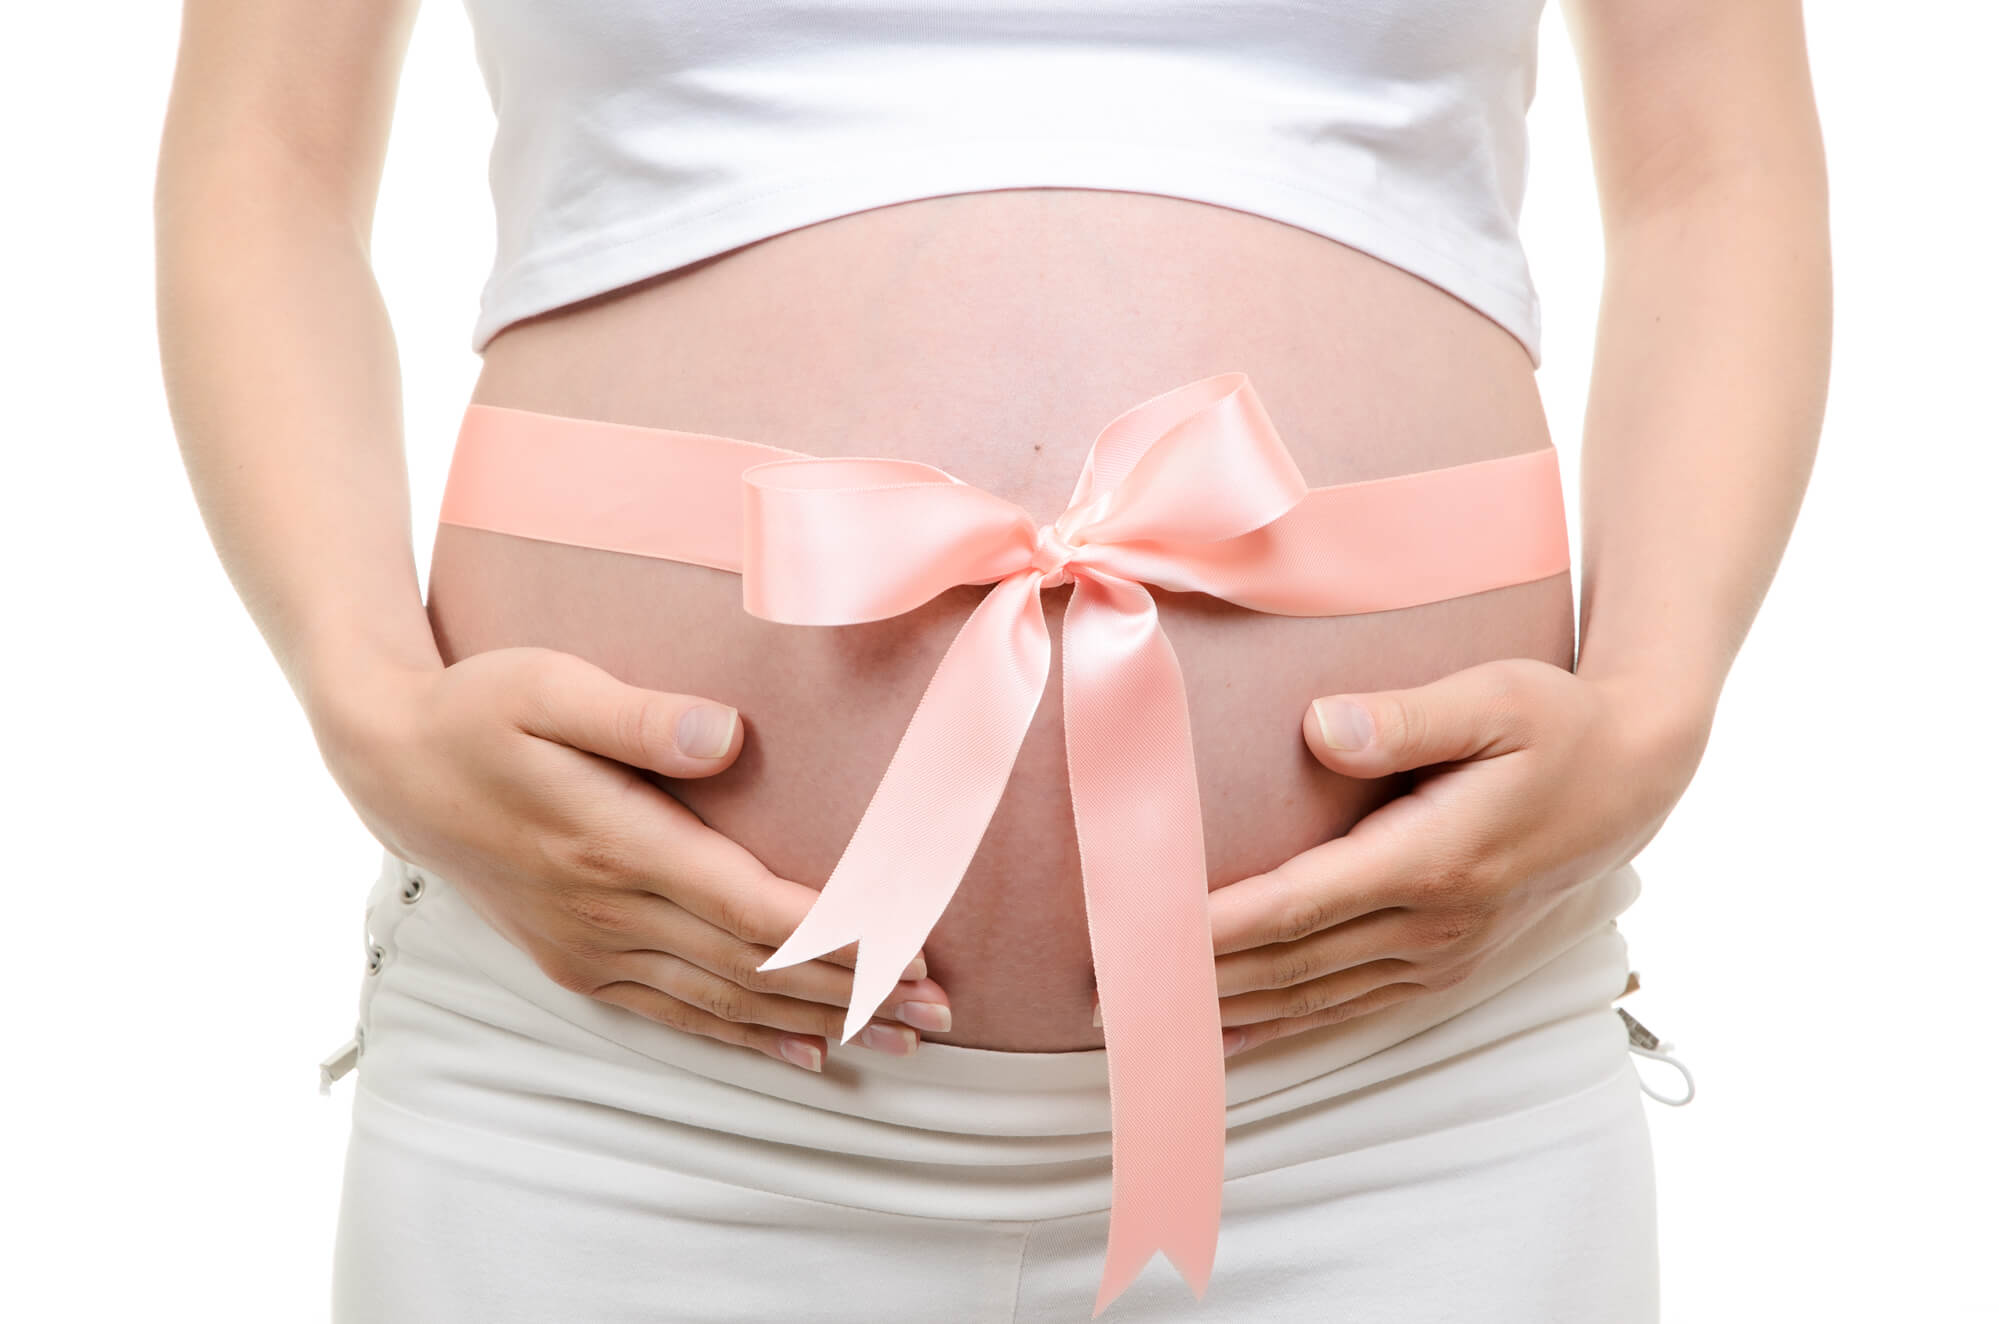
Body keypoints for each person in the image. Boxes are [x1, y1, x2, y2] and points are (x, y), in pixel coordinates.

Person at [154, 0, 1829, 1319]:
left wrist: (1653, 705)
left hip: (1411, 1096)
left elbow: (1716, 165)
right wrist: (366, 697)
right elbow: (264, 154)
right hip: (611, 1082)